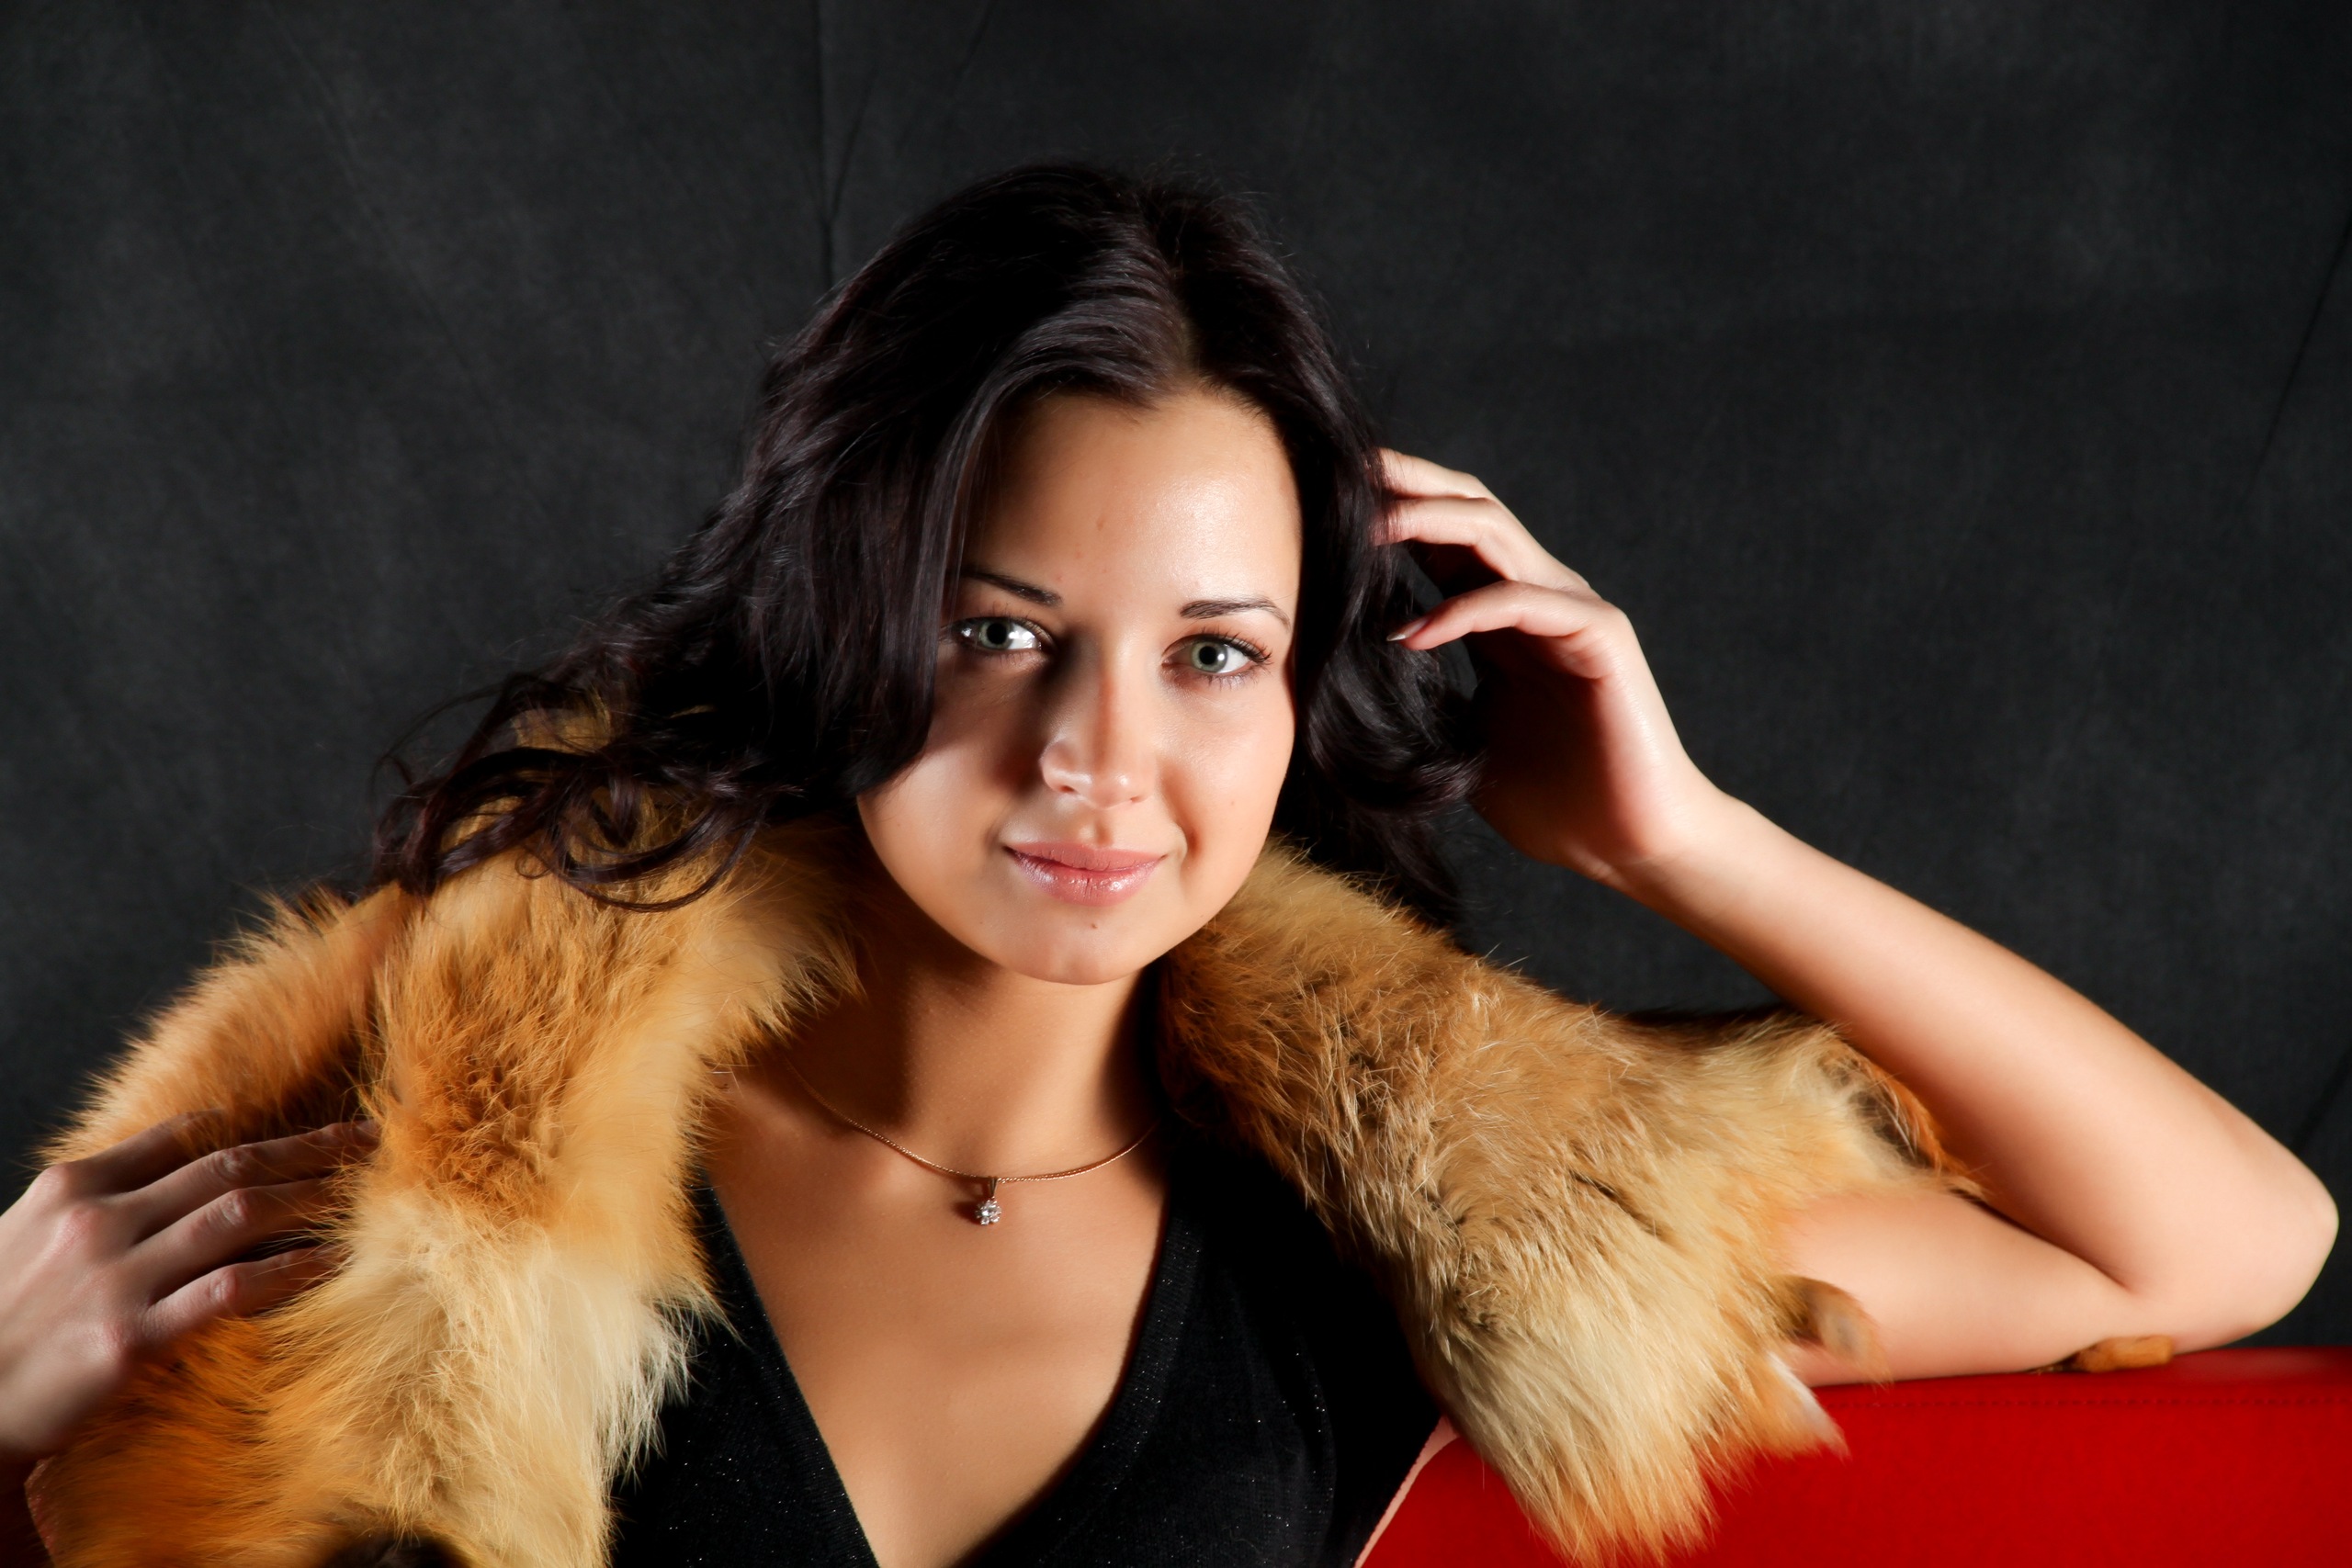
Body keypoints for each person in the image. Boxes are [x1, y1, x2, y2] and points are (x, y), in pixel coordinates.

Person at [0, 166, 2333, 1568]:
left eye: (1211, 651)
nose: (1096, 756)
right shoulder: (410, 1159)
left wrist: (1679, 835)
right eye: (993, 630)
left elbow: (2213, 1238)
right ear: (830, 619)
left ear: (1306, 687)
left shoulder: (1396, 1221)